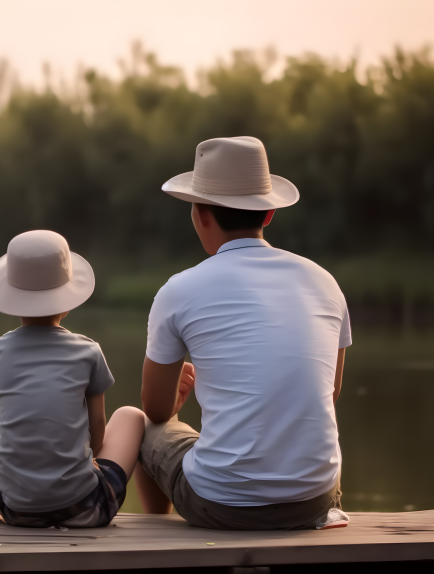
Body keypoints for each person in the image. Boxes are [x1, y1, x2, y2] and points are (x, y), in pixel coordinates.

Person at [136, 136, 352, 530]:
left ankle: (156, 537)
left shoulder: (179, 290)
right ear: (268, 214)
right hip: (315, 499)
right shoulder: (325, 282)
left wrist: (175, 403)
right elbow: (329, 392)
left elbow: (154, 410)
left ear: (199, 214)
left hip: (219, 506)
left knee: (142, 427)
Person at [0, 230, 145, 528]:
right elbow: (97, 430)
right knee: (131, 415)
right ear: (68, 300)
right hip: (87, 508)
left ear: (11, 299)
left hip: (17, 512)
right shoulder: (88, 351)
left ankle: (22, 493)